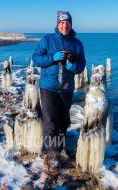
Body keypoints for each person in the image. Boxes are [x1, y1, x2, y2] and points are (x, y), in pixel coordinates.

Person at [32, 11, 86, 174]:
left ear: (71, 25)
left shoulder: (77, 44)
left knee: (63, 121)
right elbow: (36, 59)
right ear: (57, 24)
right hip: (48, 87)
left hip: (66, 88)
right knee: (51, 121)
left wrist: (72, 66)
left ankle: (59, 147)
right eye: (62, 23)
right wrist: (53, 57)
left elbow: (82, 65)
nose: (65, 25)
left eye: (67, 23)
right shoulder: (47, 40)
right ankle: (53, 155)